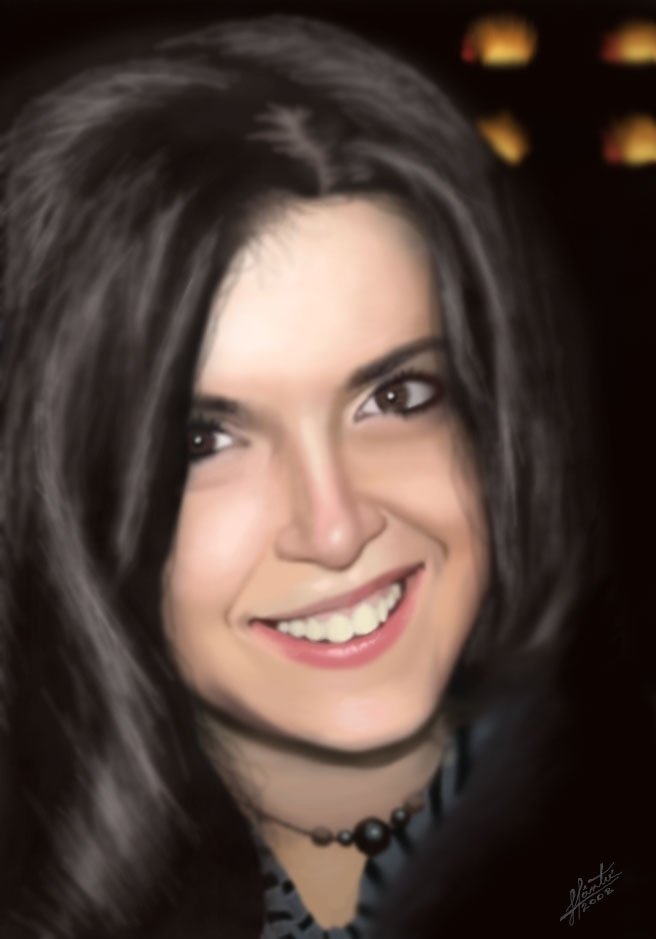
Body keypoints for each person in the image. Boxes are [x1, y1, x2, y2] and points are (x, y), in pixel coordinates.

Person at [1, 13, 653, 939]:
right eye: (203, 441)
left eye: (395, 396)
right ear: (59, 488)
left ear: (499, 413)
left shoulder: (604, 872)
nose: (336, 524)